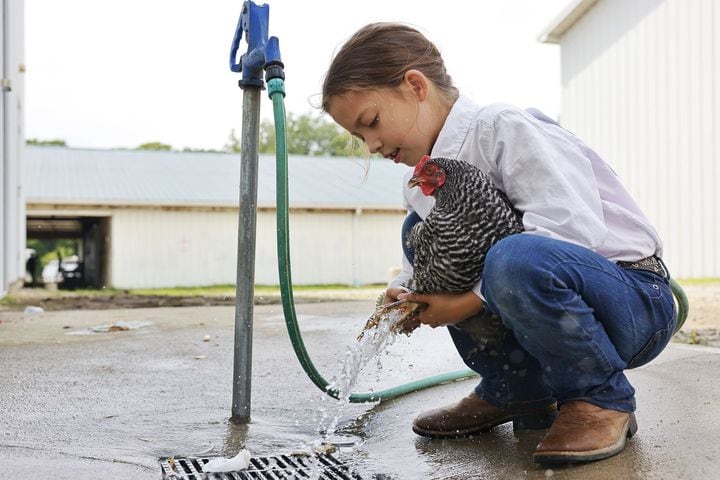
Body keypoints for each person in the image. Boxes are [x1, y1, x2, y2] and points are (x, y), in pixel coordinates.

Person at [321, 22, 676, 464]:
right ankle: (515, 391)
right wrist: (409, 292)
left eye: (370, 122)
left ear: (415, 85)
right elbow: (447, 254)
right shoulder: (425, 184)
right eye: (359, 137)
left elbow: (570, 229)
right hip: (557, 300)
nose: (371, 144)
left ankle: (600, 398)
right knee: (420, 233)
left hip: (631, 298)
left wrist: (470, 301)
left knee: (515, 258)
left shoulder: (502, 128)